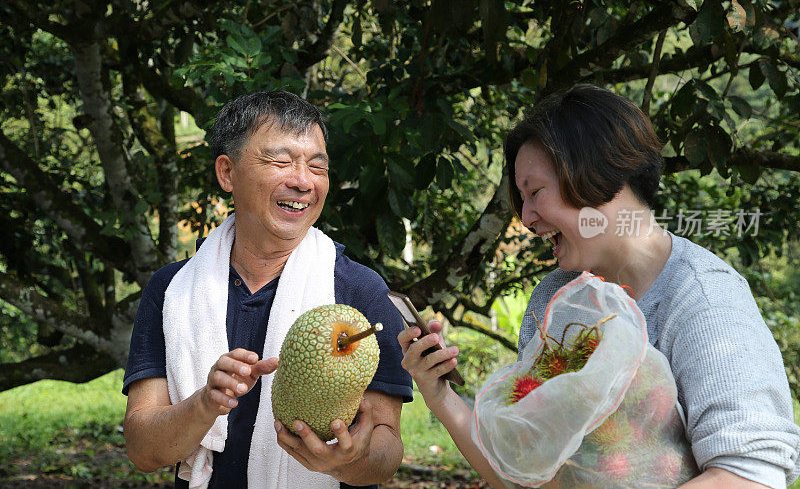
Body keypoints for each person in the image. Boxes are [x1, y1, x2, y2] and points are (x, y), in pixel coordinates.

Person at [399, 85, 800, 488]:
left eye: (535, 192)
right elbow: (528, 474)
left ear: (603, 176)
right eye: (522, 199)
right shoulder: (555, 299)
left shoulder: (704, 300)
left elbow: (751, 475)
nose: (527, 217)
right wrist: (440, 395)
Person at [123, 90, 413, 489]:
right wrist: (205, 403)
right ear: (227, 173)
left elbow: (387, 451)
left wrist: (350, 459)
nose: (302, 182)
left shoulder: (359, 292)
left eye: (317, 166)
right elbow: (141, 449)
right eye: (280, 161)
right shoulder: (172, 290)